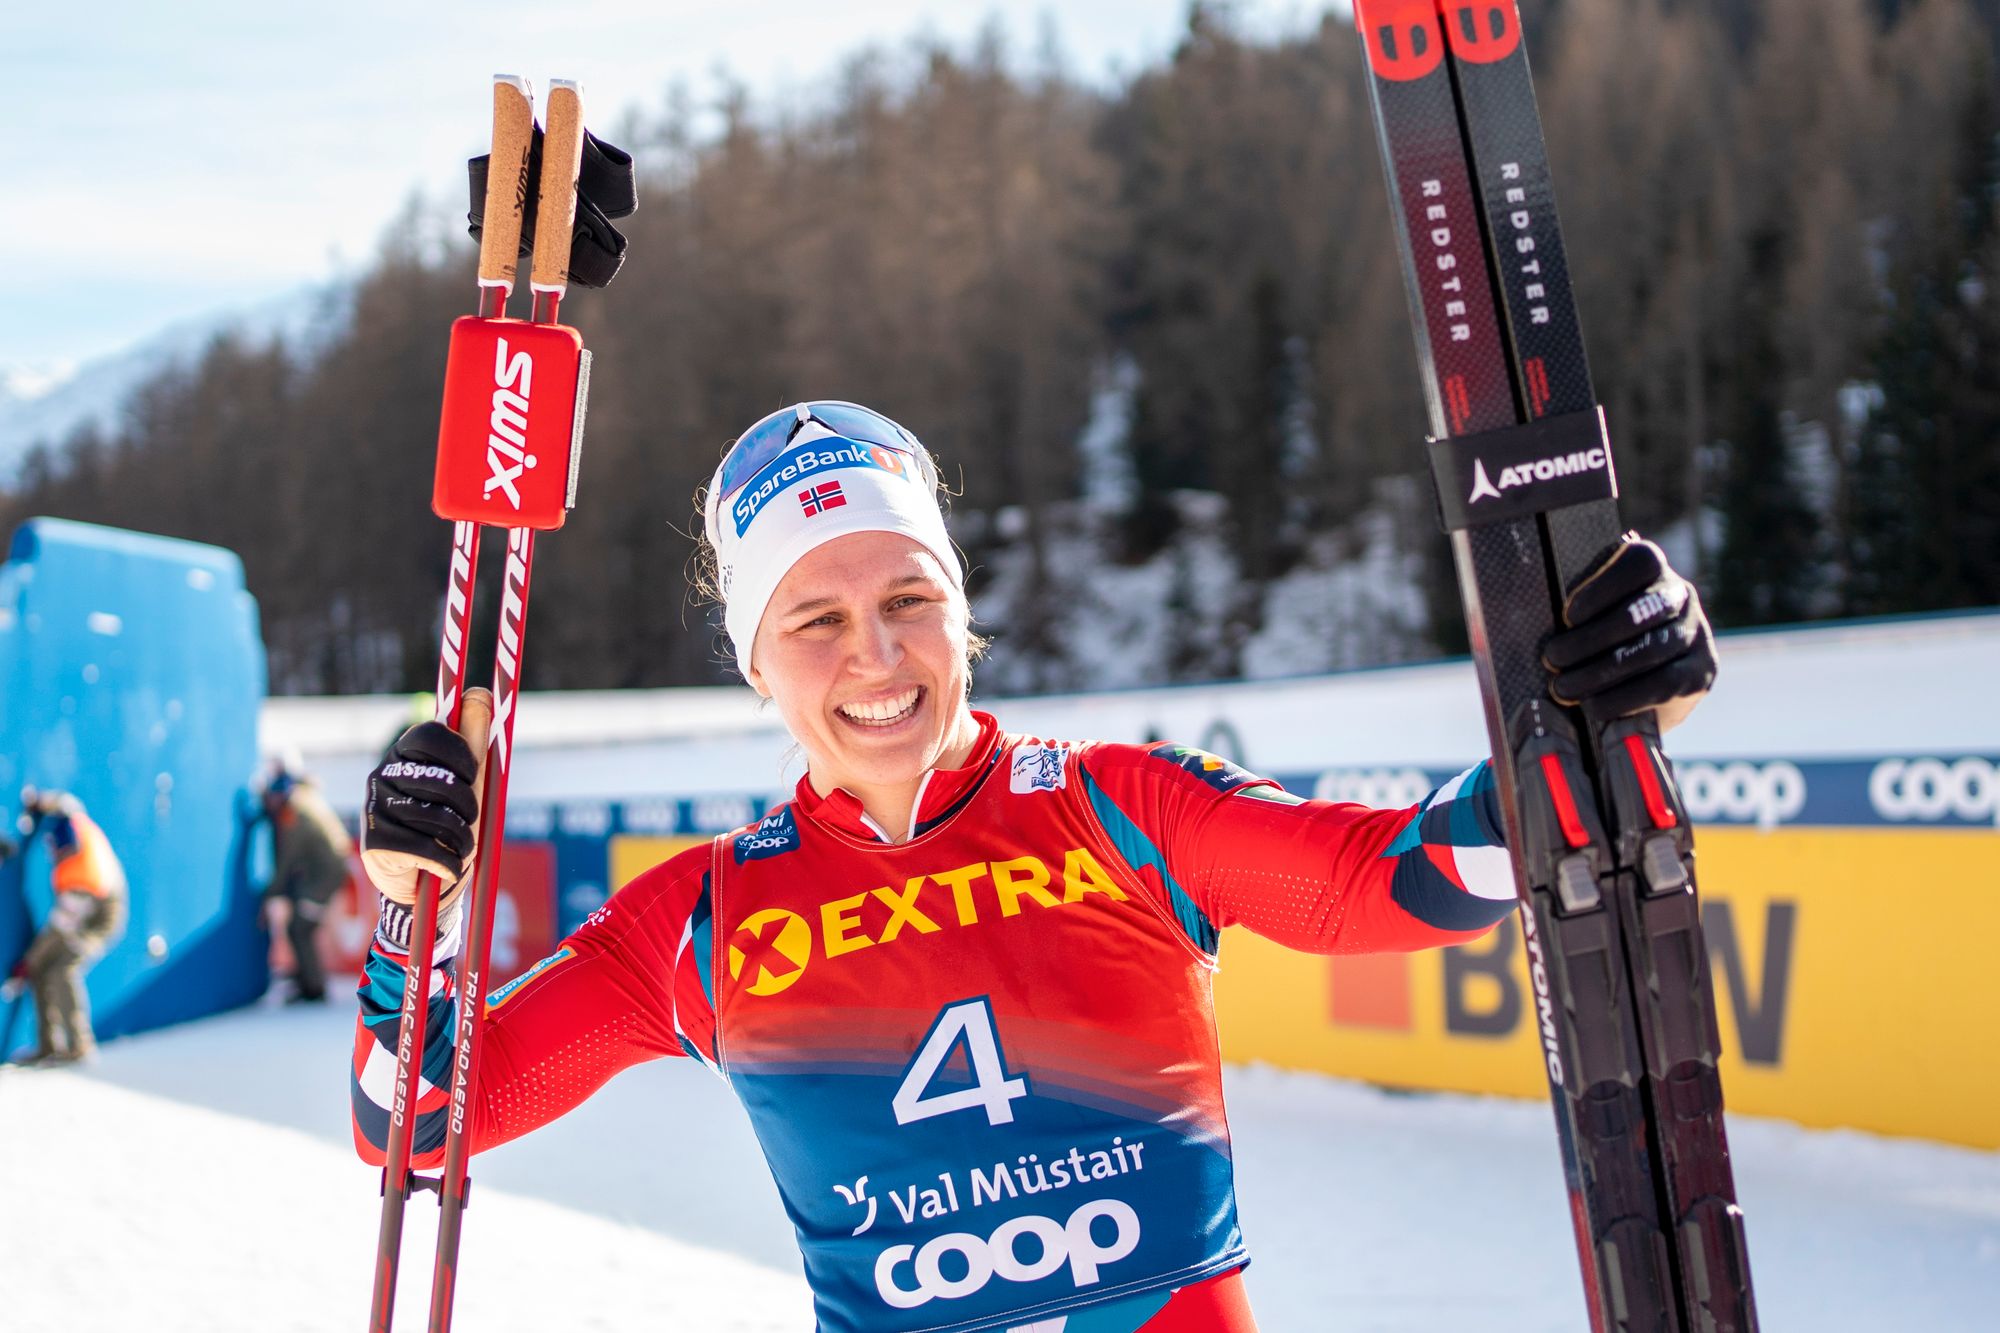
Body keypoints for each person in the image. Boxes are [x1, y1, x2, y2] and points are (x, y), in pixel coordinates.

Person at [349, 402, 1718, 1332]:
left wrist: (1593, 716)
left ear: (963, 615)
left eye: (909, 602)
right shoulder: (701, 923)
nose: (877, 658)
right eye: (817, 620)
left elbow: (1402, 879)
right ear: (755, 662)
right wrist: (414, 913)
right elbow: (416, 1123)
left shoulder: (1118, 813)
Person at [1, 788, 127, 1066]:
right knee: (42, 971)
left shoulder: (77, 877)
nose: (53, 854)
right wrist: (40, 802)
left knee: (61, 968)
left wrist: (26, 962)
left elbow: (59, 930)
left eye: (56, 850)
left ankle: (80, 1045)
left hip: (101, 918)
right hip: (89, 911)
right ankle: (48, 1047)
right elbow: (67, 803)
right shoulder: (78, 823)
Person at [259, 761, 355, 1004]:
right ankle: (306, 979)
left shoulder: (296, 813)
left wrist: (270, 893)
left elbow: (287, 860)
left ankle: (313, 987)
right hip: (325, 872)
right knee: (301, 926)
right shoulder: (307, 798)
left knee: (300, 927)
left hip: (324, 876)